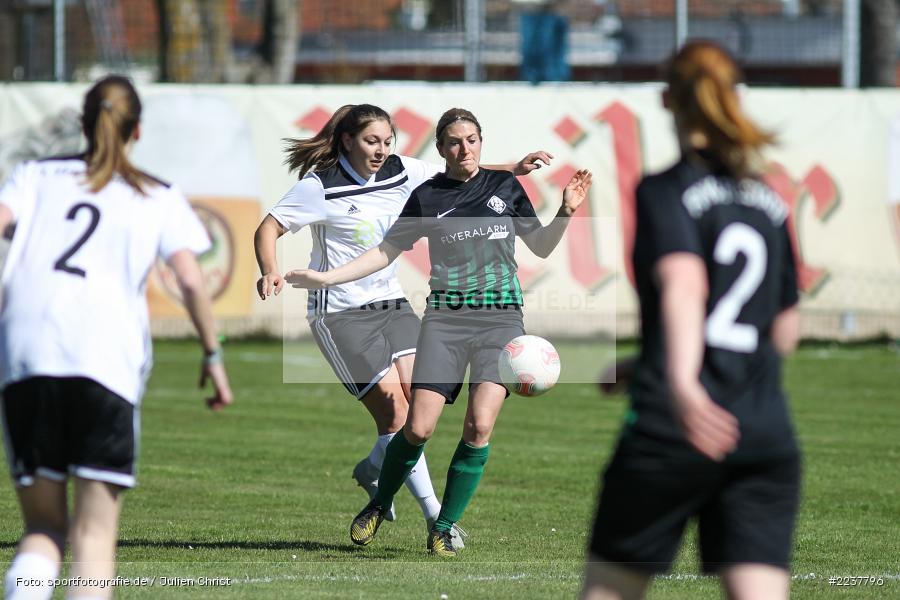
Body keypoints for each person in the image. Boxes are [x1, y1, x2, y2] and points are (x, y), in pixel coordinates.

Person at [285, 107, 592, 556]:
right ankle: (380, 502)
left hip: (501, 321)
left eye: (471, 140)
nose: (464, 148)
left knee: (479, 425)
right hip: (445, 322)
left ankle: (443, 526)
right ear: (441, 149)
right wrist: (328, 279)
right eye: (454, 142)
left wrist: (565, 212)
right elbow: (386, 250)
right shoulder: (427, 196)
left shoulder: (505, 186)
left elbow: (540, 245)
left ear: (481, 143)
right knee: (419, 427)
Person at [581, 41, 801, 600]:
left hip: (675, 427)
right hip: (761, 431)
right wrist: (648, 361)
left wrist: (679, 383)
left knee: (611, 587)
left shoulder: (665, 190)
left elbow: (684, 285)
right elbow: (783, 333)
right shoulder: (767, 201)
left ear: (666, 100)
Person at [0, 75, 233, 600]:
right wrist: (213, 355)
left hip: (26, 354)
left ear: (82, 125)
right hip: (105, 359)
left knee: (41, 530)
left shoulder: (33, 175)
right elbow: (191, 279)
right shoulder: (156, 192)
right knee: (94, 535)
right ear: (138, 131)